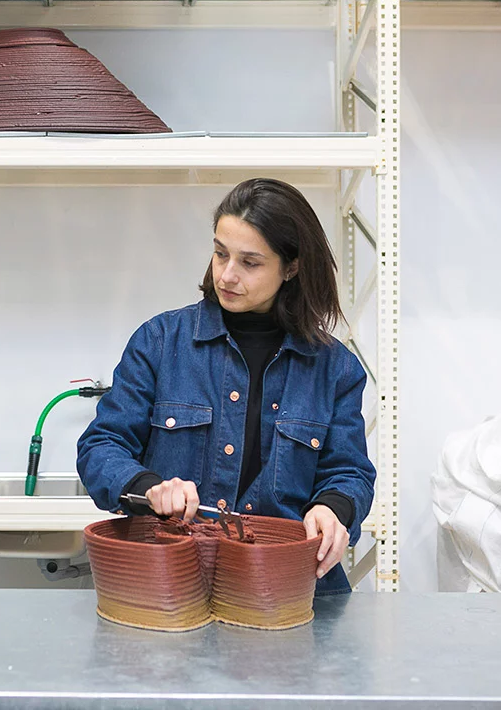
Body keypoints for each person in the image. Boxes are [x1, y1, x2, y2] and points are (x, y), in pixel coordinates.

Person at [77, 178, 375, 594]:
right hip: (173, 585)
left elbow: (349, 472)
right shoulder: (160, 342)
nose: (227, 275)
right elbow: (100, 446)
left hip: (286, 591)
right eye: (220, 254)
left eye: (250, 263)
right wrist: (149, 487)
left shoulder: (334, 368)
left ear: (291, 267)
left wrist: (334, 508)